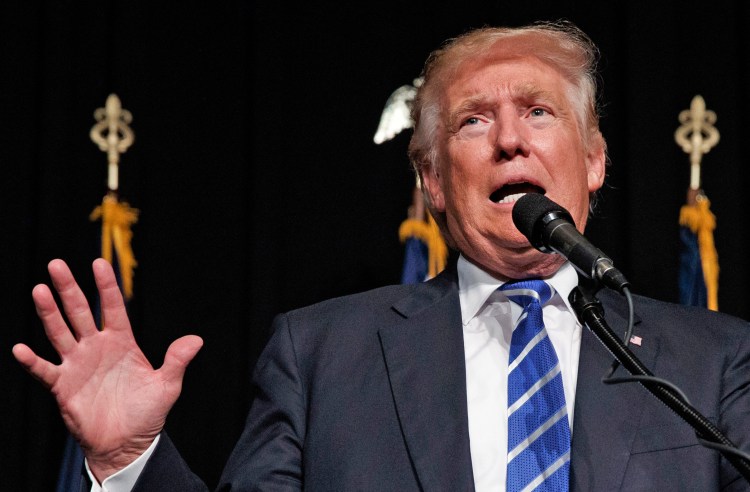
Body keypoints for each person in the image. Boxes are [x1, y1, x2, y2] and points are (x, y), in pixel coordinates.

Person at [13, 20, 750, 491]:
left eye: (538, 111)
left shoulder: (713, 360)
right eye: (472, 121)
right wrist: (130, 461)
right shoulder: (322, 355)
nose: (510, 139)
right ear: (431, 179)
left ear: (593, 161)